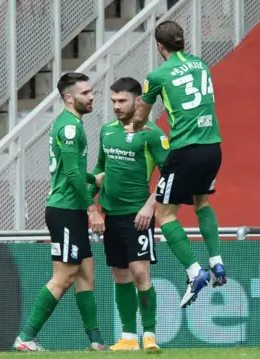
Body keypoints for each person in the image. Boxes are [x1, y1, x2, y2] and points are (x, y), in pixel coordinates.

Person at [126, 20, 226, 308]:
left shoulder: (157, 75)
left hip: (185, 150)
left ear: (160, 46)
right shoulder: (201, 64)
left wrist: (132, 127)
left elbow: (141, 117)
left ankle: (195, 272)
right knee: (202, 204)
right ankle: (217, 262)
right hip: (213, 147)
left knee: (165, 213)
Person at [14, 72, 107, 352]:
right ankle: (26, 337)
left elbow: (75, 172)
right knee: (65, 276)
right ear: (69, 98)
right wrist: (92, 208)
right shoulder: (69, 128)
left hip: (71, 208)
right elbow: (69, 172)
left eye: (91, 92)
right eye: (85, 93)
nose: (91, 97)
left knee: (86, 273)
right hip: (66, 210)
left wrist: (93, 180)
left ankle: (96, 341)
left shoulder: (72, 124)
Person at [89, 77, 169, 351]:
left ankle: (149, 335)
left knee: (139, 273)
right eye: (113, 101)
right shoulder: (107, 131)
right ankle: (128, 338)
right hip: (111, 215)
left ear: (138, 101)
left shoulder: (153, 134)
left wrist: (150, 205)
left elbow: (169, 174)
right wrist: (91, 206)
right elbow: (100, 168)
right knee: (120, 275)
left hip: (138, 216)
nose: (116, 106)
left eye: (121, 100)